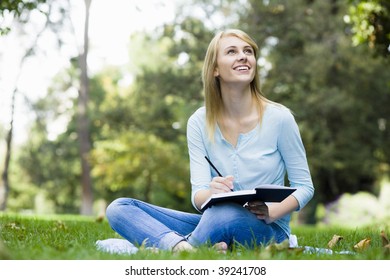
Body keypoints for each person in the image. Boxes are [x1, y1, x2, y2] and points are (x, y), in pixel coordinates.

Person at [105, 29, 314, 253]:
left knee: (222, 214)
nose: (243, 56)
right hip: (214, 220)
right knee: (119, 208)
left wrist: (273, 211)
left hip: (268, 229)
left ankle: (175, 247)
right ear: (215, 69)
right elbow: (199, 196)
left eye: (248, 51)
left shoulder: (280, 118)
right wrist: (212, 193)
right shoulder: (198, 122)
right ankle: (187, 248)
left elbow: (304, 187)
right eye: (232, 51)